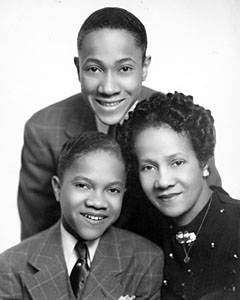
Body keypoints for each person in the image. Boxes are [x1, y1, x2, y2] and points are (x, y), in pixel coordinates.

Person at [18, 6, 221, 240]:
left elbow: (209, 212)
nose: (109, 88)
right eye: (94, 69)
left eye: (125, 69)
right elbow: (37, 241)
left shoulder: (180, 120)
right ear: (78, 68)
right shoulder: (43, 129)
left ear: (144, 67)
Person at [0, 131, 164, 300]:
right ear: (57, 188)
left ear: (123, 194)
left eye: (113, 190)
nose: (98, 202)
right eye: (83, 186)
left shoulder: (146, 259)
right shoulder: (12, 265)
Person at [117, 92, 240, 299]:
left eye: (177, 163)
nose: (163, 181)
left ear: (203, 161)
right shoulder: (139, 235)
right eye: (148, 167)